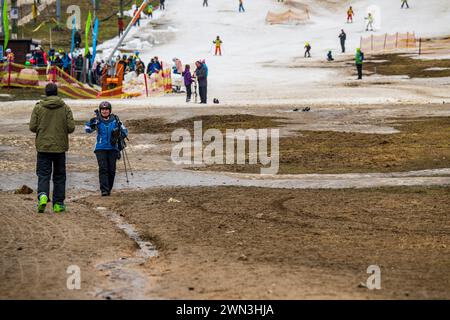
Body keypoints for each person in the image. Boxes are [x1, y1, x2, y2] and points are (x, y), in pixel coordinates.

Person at [29, 83, 75, 213]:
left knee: (43, 174)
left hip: (43, 147)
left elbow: (32, 127)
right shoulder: (65, 107)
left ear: (46, 93)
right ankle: (58, 204)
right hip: (60, 148)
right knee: (59, 176)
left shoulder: (38, 107)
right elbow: (71, 128)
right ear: (57, 92)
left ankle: (43, 195)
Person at [85, 101, 129, 196]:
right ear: (100, 111)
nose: (104, 111)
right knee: (103, 169)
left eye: (106, 109)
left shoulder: (115, 120)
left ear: (110, 110)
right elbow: (87, 129)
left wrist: (119, 134)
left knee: (112, 170)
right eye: (103, 109)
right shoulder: (97, 120)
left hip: (113, 148)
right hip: (100, 148)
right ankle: (104, 190)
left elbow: (125, 131)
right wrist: (93, 122)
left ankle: (108, 188)